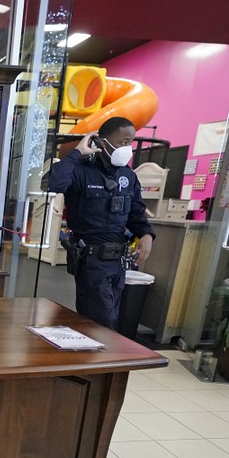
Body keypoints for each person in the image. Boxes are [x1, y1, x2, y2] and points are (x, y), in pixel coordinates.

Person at [48, 116, 155, 330]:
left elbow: (136, 212)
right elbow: (55, 183)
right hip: (91, 260)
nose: (128, 148)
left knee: (110, 318)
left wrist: (146, 234)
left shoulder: (128, 176)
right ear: (102, 142)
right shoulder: (80, 171)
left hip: (118, 262)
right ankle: (99, 361)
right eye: (123, 142)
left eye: (131, 143)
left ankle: (98, 359)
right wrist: (77, 152)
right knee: (101, 322)